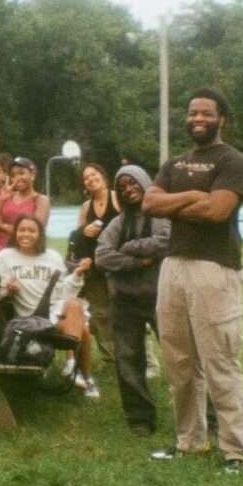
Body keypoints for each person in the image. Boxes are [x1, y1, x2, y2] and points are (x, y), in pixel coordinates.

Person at [143, 86, 243, 473]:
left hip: (215, 268)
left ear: (221, 118)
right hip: (174, 266)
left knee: (220, 361)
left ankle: (236, 451)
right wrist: (194, 195)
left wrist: (174, 203)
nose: (198, 119)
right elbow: (149, 203)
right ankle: (190, 441)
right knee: (179, 362)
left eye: (206, 113)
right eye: (192, 112)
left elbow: (216, 212)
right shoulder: (174, 163)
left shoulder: (232, 160)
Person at [95, 165, 169, 435]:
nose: (128, 189)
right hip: (124, 300)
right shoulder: (117, 223)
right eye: (122, 186)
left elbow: (167, 241)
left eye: (133, 182)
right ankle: (140, 418)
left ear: (145, 182)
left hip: (161, 297)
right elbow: (102, 257)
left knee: (179, 357)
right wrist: (139, 261)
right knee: (128, 360)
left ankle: (199, 412)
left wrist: (130, 247)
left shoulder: (162, 216)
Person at [0, 215, 99, 398]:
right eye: (21, 230)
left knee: (75, 304)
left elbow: (64, 292)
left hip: (53, 314)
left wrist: (77, 274)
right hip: (29, 319)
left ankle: (73, 368)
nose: (26, 234)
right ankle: (80, 373)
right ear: (15, 233)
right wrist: (7, 286)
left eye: (31, 230)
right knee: (83, 329)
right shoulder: (6, 256)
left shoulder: (52, 257)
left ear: (40, 234)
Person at [75, 163, 120, 365]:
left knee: (125, 311)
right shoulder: (86, 207)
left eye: (93, 174)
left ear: (103, 176)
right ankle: (109, 357)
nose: (90, 179)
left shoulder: (117, 198)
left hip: (119, 264)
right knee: (100, 313)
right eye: (86, 178)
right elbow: (77, 236)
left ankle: (142, 357)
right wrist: (84, 231)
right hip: (95, 266)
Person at [0, 157, 50, 257]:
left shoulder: (41, 200)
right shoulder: (6, 196)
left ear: (32, 174)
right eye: (13, 175)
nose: (17, 178)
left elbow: (35, 230)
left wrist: (2, 225)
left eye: (21, 173)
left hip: (22, 253)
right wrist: (1, 199)